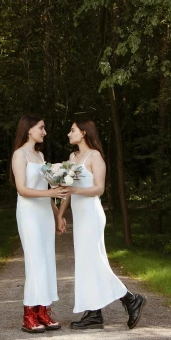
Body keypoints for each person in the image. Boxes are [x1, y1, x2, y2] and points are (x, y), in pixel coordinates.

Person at [55, 118, 146, 329]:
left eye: (72, 130)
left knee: (95, 262)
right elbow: (67, 190)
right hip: (79, 216)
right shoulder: (72, 157)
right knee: (85, 264)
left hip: (92, 215)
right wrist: (60, 214)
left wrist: (76, 190)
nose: (69, 134)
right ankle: (94, 314)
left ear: (84, 132)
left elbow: (99, 188)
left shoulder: (95, 157)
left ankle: (131, 299)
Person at [11, 115, 70, 333]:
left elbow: (47, 192)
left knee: (46, 261)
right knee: (35, 261)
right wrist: (52, 192)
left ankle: (42, 311)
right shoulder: (20, 155)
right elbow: (22, 190)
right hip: (29, 214)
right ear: (29, 130)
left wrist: (57, 215)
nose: (44, 132)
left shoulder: (40, 155)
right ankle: (29, 315)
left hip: (45, 214)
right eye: (41, 128)